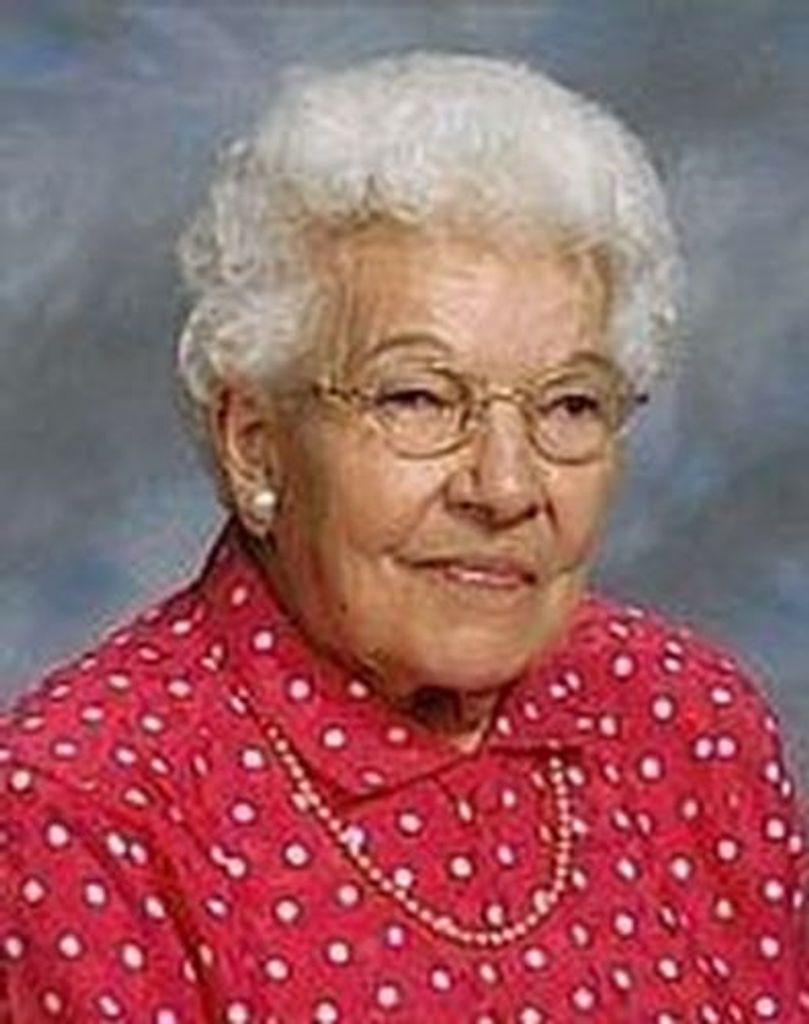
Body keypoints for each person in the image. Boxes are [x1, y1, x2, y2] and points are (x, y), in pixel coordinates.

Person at [0, 51, 806, 1023]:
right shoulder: (81, 803)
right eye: (417, 397)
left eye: (568, 404)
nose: (504, 486)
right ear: (255, 443)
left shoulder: (689, 721)